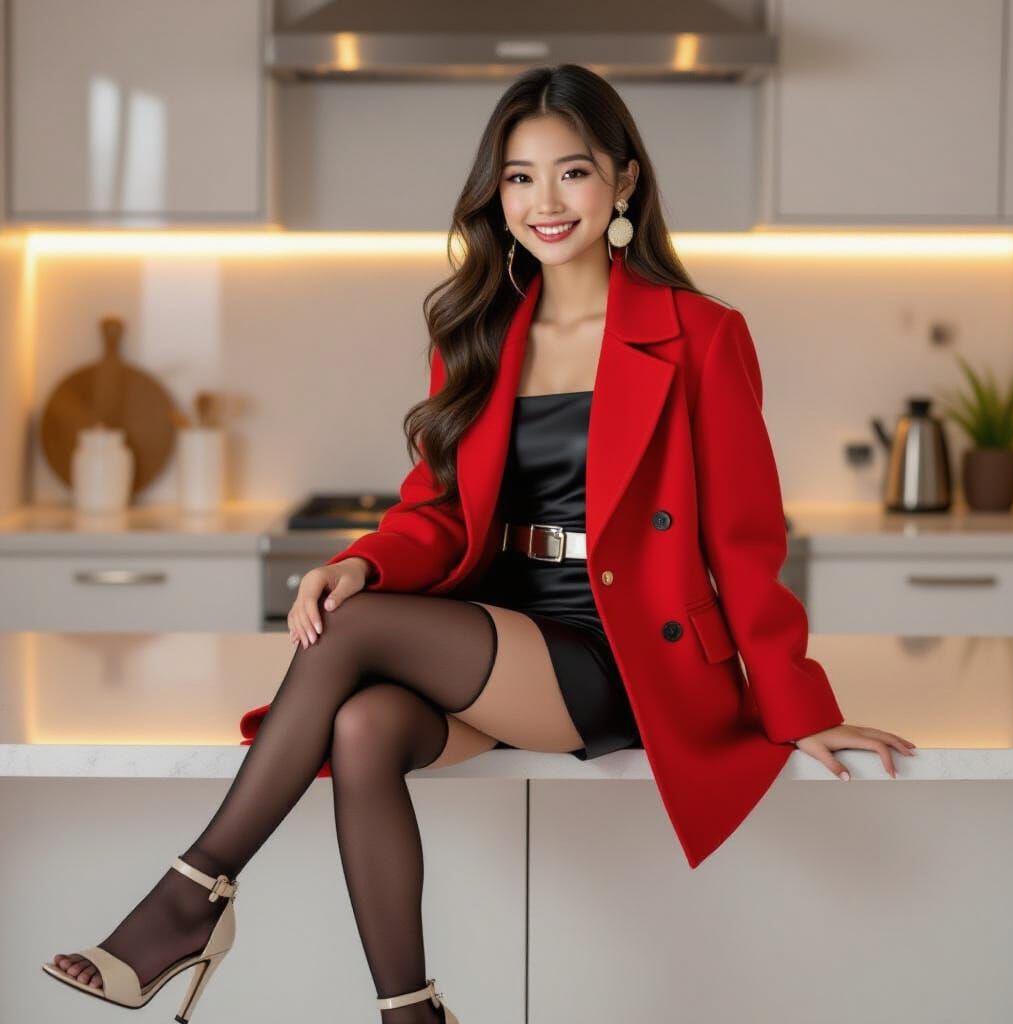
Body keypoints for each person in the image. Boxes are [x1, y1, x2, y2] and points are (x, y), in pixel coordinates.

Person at [42, 63, 915, 1024]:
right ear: (496, 196)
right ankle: (412, 1014)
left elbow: (746, 538)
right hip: (502, 629)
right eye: (519, 177)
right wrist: (361, 560)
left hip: (623, 648)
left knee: (360, 633)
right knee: (364, 725)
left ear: (624, 181)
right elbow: (444, 512)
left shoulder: (700, 334)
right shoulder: (483, 328)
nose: (546, 201)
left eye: (572, 172)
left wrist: (796, 703)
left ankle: (188, 899)